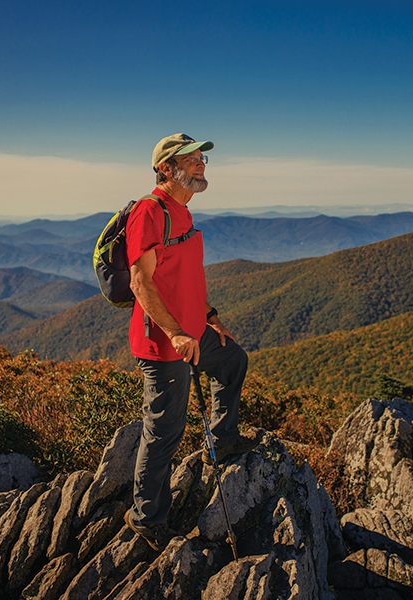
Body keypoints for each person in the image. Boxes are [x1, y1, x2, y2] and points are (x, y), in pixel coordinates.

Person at [123, 133, 259, 551]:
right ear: (166, 168)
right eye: (191, 159)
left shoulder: (181, 213)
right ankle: (148, 518)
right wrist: (177, 333)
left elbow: (183, 277)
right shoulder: (150, 212)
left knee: (233, 361)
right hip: (164, 346)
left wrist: (209, 317)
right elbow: (141, 283)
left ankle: (221, 439)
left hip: (194, 333)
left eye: (202, 157)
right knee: (164, 430)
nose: (201, 164)